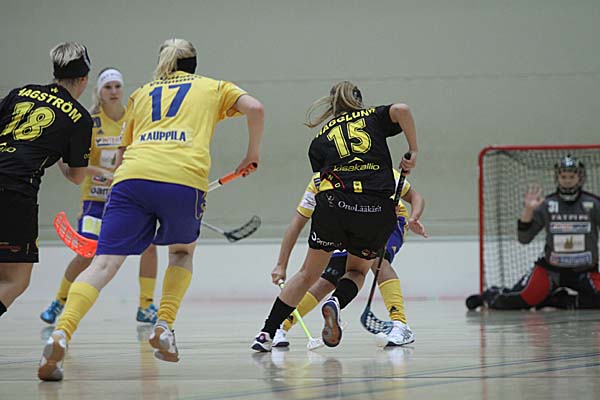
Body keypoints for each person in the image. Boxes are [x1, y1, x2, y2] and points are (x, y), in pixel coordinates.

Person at [38, 38, 264, 381]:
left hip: (131, 178)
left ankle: (62, 332)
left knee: (103, 263)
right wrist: (251, 154)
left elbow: (123, 153)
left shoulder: (141, 93)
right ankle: (164, 325)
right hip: (184, 177)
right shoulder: (213, 87)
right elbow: (255, 108)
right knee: (181, 253)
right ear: (194, 63)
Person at [252, 81, 418, 351]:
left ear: (332, 106)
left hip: (333, 205)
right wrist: (413, 150)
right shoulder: (373, 117)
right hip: (374, 208)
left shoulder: (319, 140)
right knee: (357, 270)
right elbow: (402, 109)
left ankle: (266, 333)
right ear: (359, 102)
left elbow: (321, 181)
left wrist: (281, 263)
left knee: (308, 274)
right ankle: (337, 301)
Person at [39, 68, 159, 325]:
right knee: (87, 253)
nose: (114, 91)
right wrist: (101, 173)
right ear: (99, 91)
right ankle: (59, 301)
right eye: (108, 87)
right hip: (95, 201)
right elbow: (71, 162)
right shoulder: (89, 122)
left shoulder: (134, 119)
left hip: (126, 202)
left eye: (117, 86)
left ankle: (146, 305)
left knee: (149, 246)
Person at [270, 170, 427, 348]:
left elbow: (415, 196)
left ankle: (400, 324)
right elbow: (298, 221)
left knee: (378, 261)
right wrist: (281, 264)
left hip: (390, 219)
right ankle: (282, 326)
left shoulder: (381, 169)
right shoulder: (320, 180)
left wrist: (414, 218)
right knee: (328, 279)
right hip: (349, 222)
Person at [0, 42, 93, 318]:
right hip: (15, 192)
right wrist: (61, 156)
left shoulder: (20, 93)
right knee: (14, 280)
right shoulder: (80, 119)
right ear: (84, 79)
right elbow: (77, 177)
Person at [466, 155, 600, 310]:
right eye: (563, 177)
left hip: (584, 271)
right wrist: (529, 209)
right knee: (523, 299)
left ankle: (557, 300)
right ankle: (489, 296)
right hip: (551, 270)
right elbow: (524, 238)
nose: (567, 181)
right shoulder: (548, 204)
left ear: (580, 178)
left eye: (572, 177)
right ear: (557, 178)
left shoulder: (593, 203)